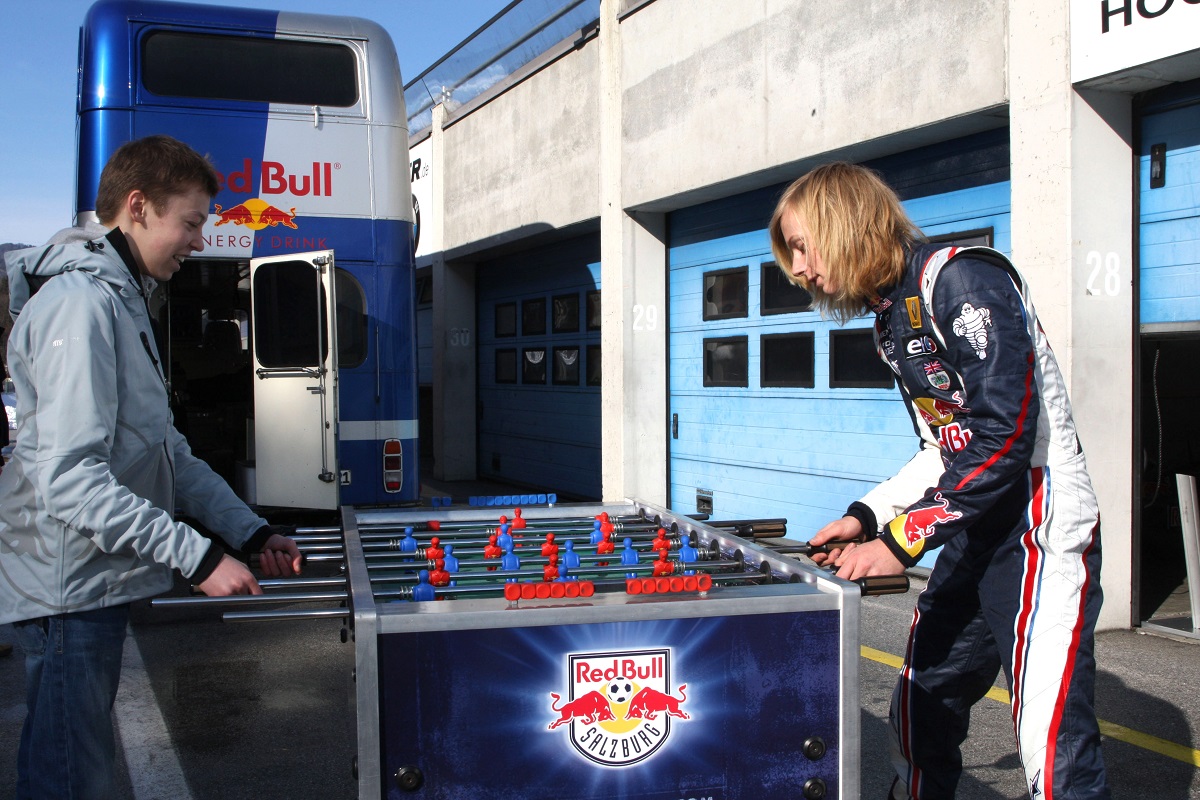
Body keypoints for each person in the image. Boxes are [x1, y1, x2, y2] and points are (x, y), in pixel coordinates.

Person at [768, 162, 1109, 800]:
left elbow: (1003, 438)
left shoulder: (961, 280)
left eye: (801, 245)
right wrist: (865, 517)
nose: (799, 269)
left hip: (1039, 518)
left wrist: (898, 541)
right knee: (920, 703)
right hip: (975, 523)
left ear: (844, 224)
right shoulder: (893, 318)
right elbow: (942, 448)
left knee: (1051, 742)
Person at [0, 135, 303, 800]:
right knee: (67, 776)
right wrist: (196, 559)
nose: (198, 240)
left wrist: (247, 533)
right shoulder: (83, 305)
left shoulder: (122, 299)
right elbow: (72, 480)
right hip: (65, 587)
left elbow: (169, 452)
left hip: (87, 580)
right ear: (137, 207)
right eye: (190, 222)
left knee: (70, 762)